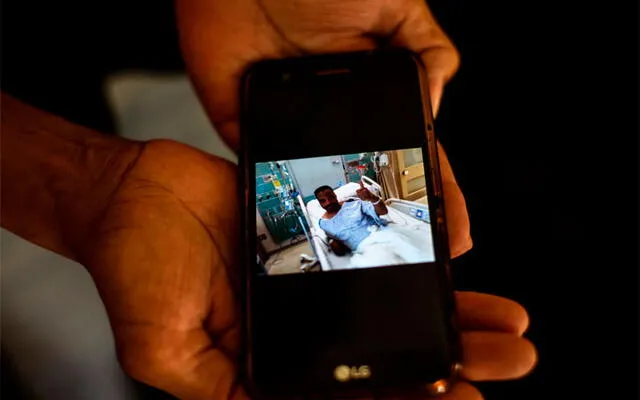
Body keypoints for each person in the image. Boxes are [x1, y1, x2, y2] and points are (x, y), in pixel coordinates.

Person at [1, 0, 537, 399]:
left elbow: (373, 213)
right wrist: (83, 184)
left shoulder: (351, 198)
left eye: (329, 188)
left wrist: (90, 185)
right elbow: (325, 245)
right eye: (323, 190)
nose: (326, 191)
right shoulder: (314, 219)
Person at [315, 182, 434, 266]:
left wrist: (372, 198)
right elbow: (336, 243)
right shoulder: (323, 224)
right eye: (323, 200)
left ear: (335, 195)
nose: (328, 201)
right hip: (365, 248)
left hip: (383, 233)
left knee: (411, 250)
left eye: (330, 197)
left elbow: (383, 211)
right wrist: (334, 244)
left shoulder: (353, 204)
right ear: (319, 203)